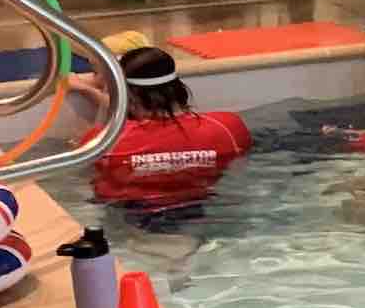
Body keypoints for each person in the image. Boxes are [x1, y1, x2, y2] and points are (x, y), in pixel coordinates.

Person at [72, 45, 253, 209]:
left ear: (127, 95)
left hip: (129, 216)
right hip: (203, 206)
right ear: (178, 86)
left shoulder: (105, 142)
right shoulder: (228, 127)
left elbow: (84, 171)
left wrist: (95, 94)